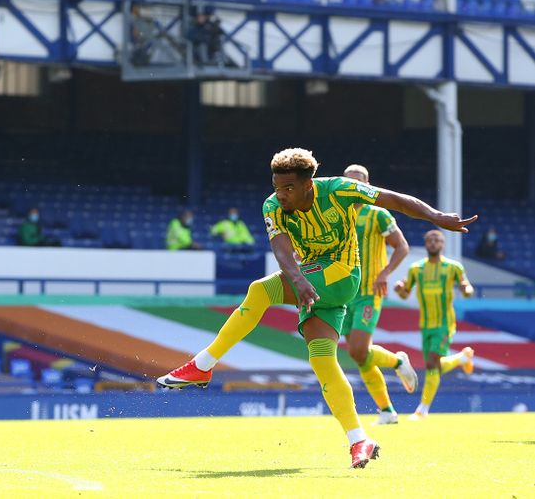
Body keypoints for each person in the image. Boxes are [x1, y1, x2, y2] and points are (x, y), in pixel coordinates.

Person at [157, 148, 476, 468]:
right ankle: (360, 440)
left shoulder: (338, 189)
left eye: (288, 188)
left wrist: (436, 217)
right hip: (313, 279)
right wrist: (298, 279)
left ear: (308, 184)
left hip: (343, 275)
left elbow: (394, 199)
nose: (280, 194)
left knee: (260, 290)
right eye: (277, 186)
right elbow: (281, 250)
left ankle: (203, 364)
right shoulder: (272, 206)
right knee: (323, 361)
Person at [340, 164, 415, 426]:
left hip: (369, 292)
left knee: (359, 349)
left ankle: (397, 361)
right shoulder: (336, 214)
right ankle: (387, 411)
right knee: (359, 355)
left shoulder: (378, 214)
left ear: (368, 186)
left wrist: (385, 273)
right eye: (349, 182)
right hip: (343, 293)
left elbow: (401, 246)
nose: (354, 186)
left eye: (359, 181)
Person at [394, 229, 476, 421]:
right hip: (425, 324)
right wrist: (399, 289)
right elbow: (405, 293)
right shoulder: (416, 269)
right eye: (430, 240)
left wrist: (466, 289)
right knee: (433, 367)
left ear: (442, 244)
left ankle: (422, 410)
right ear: (425, 244)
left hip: (445, 323)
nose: (433, 242)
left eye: (437, 240)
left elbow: (467, 287)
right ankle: (462, 358)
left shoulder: (453, 267)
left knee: (432, 362)